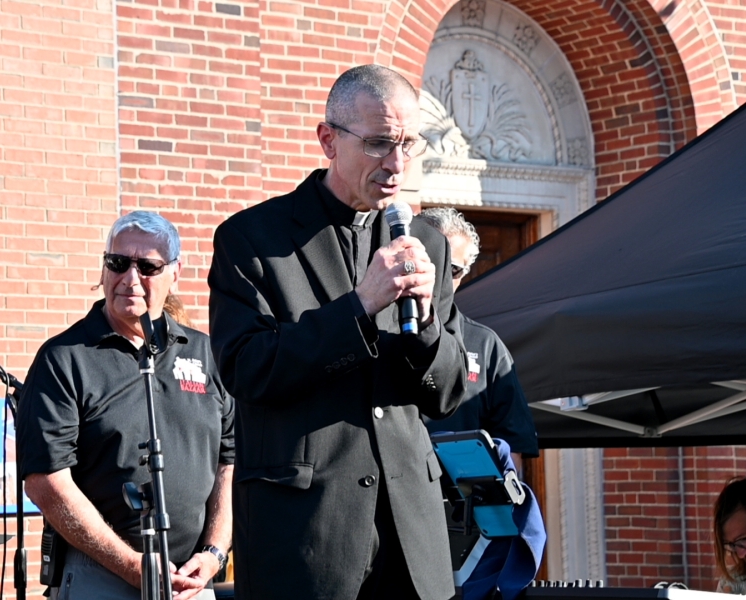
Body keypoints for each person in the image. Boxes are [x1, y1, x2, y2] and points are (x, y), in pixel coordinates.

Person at [208, 64, 469, 600]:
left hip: (410, 540)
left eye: (408, 144)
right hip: (306, 537)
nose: (396, 164)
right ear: (328, 139)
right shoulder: (253, 238)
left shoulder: (427, 243)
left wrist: (424, 326)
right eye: (378, 144)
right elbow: (248, 370)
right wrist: (361, 306)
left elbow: (447, 394)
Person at [16, 211, 235, 600]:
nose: (130, 279)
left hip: (191, 582)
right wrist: (132, 565)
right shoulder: (65, 359)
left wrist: (214, 553)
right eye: (118, 263)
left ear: (174, 272)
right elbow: (46, 482)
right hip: (100, 577)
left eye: (148, 266)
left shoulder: (206, 353)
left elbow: (230, 463)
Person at [419, 208, 538, 471]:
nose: (441, 278)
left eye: (453, 269)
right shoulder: (371, 330)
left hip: (459, 506)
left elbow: (511, 449)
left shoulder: (486, 346)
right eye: (434, 262)